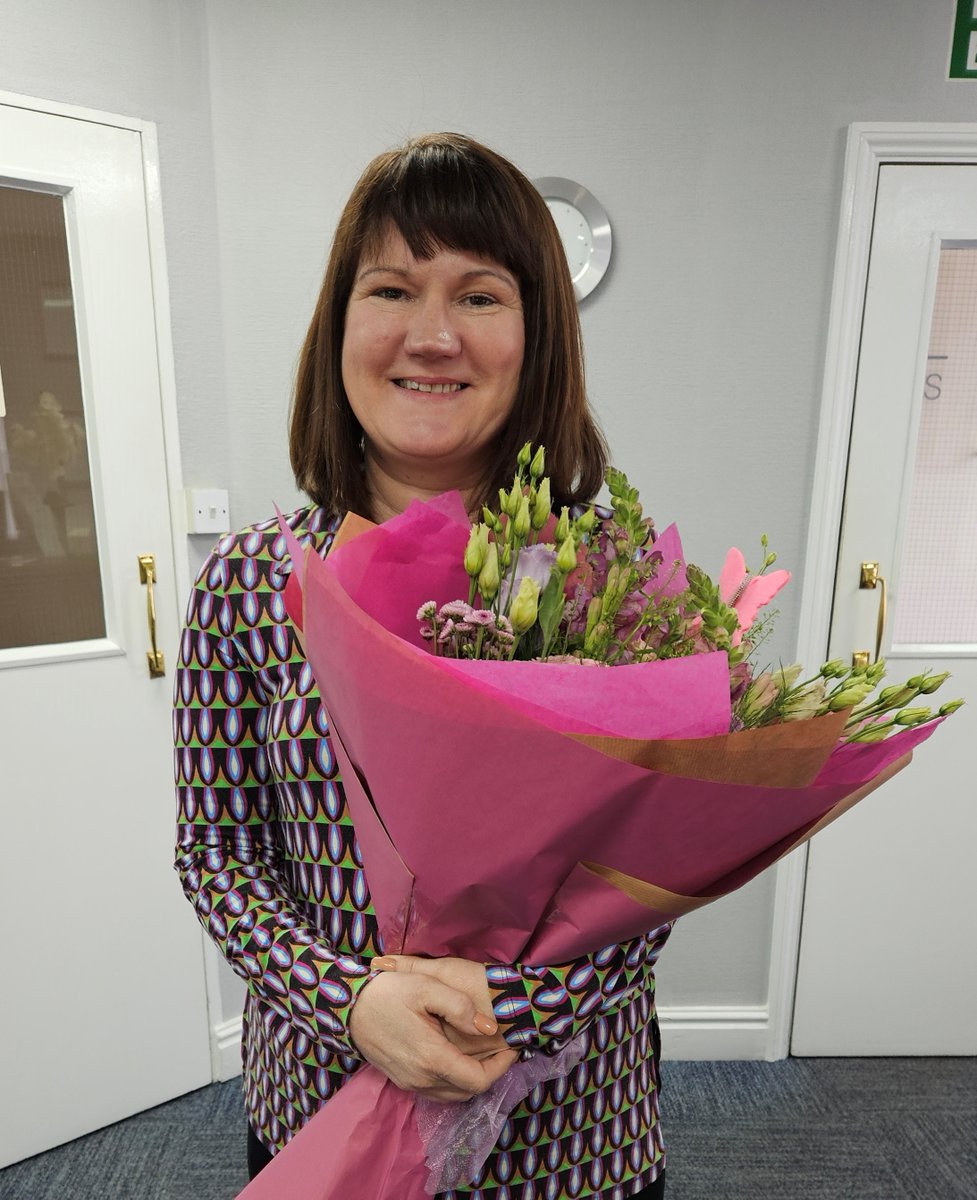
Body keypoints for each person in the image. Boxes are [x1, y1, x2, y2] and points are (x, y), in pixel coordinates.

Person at [174, 132, 671, 1199]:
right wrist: (352, 998)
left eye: (480, 297)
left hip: (568, 1131)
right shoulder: (253, 582)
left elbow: (658, 873)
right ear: (339, 327)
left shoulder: (605, 580)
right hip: (326, 1109)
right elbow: (216, 852)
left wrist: (513, 1008)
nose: (433, 335)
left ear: (535, 336)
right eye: (392, 289)